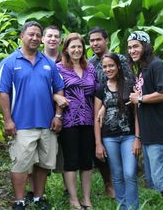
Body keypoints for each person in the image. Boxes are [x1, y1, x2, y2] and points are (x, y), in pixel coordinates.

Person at [0, 21, 65, 210]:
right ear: (21, 36)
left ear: (41, 39)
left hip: (47, 124)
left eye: (37, 35)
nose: (34, 38)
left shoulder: (48, 63)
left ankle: (38, 198)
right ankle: (19, 200)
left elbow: (59, 89)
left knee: (43, 164)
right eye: (30, 34)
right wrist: (8, 121)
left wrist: (58, 116)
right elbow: (3, 93)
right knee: (20, 165)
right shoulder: (9, 62)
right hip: (21, 124)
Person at [127, 31, 163, 210]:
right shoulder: (142, 70)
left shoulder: (157, 65)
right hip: (149, 134)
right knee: (158, 180)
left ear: (145, 47)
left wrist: (140, 98)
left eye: (136, 46)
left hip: (160, 133)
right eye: (130, 47)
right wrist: (139, 137)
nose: (132, 50)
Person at [88, 26, 134, 198]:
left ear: (106, 40)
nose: (95, 43)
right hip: (98, 115)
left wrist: (106, 105)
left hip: (121, 113)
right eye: (92, 40)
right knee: (100, 152)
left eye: (98, 39)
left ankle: (123, 185)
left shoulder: (119, 59)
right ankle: (109, 183)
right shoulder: (90, 64)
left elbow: (129, 83)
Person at [26, 25, 69, 199]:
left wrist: (59, 107)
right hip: (35, 115)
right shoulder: (33, 59)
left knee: (61, 155)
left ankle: (68, 189)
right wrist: (55, 96)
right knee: (31, 156)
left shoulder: (65, 60)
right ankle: (34, 192)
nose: (52, 39)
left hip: (62, 116)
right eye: (49, 36)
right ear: (43, 39)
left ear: (60, 41)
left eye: (56, 36)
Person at [94, 52, 141, 210]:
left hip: (129, 136)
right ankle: (122, 207)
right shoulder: (101, 89)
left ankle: (132, 207)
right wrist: (98, 144)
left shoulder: (130, 84)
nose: (108, 69)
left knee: (129, 174)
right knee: (117, 175)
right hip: (109, 138)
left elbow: (137, 114)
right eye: (105, 66)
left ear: (118, 66)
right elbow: (96, 118)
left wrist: (137, 138)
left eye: (111, 65)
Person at [57, 33, 97, 210]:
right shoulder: (58, 68)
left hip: (88, 120)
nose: (76, 50)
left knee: (87, 162)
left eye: (79, 46)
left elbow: (98, 93)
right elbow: (50, 90)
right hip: (69, 121)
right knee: (71, 160)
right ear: (66, 49)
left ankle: (86, 198)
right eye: (73, 47)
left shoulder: (90, 68)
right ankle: (74, 199)